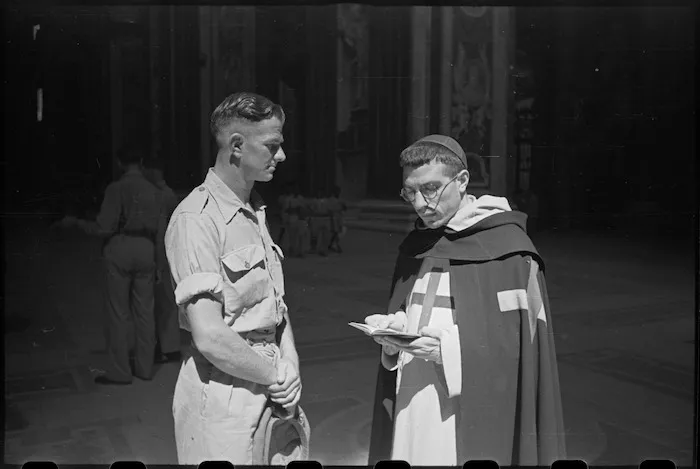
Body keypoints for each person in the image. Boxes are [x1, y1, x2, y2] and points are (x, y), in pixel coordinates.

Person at [366, 135, 566, 465]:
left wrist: (447, 350)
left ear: (461, 181)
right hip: (412, 392)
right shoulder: (418, 243)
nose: (419, 203)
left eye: (430, 188)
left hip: (466, 404)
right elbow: (413, 306)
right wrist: (395, 328)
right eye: (409, 192)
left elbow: (521, 347)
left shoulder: (511, 251)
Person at [164, 92, 302, 464]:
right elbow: (209, 335)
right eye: (272, 146)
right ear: (237, 146)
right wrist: (275, 374)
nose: (282, 156)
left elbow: (275, 306)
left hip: (270, 383)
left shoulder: (254, 209)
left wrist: (290, 362)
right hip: (223, 394)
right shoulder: (196, 219)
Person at [58, 143, 165, 385]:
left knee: (118, 313)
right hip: (147, 248)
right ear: (142, 163)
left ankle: (120, 371)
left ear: (119, 163)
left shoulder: (116, 189)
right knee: (145, 313)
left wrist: (77, 223)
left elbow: (104, 227)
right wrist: (159, 264)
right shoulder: (154, 191)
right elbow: (161, 233)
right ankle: (145, 368)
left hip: (120, 247)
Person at [143, 157, 182, 363]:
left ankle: (166, 346)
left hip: (163, 253)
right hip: (165, 252)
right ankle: (167, 345)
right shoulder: (165, 194)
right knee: (164, 303)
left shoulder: (161, 194)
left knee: (163, 303)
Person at [309, 189, 331, 257]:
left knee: (325, 236)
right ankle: (313, 248)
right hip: (317, 218)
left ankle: (324, 249)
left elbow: (330, 210)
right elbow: (311, 209)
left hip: (325, 218)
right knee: (314, 234)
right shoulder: (314, 201)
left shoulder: (328, 201)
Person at [327, 186, 347, 253]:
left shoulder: (339, 201)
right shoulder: (332, 200)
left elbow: (344, 208)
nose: (338, 193)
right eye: (337, 192)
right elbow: (330, 209)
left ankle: (332, 245)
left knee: (338, 232)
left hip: (338, 219)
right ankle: (332, 245)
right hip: (334, 218)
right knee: (335, 232)